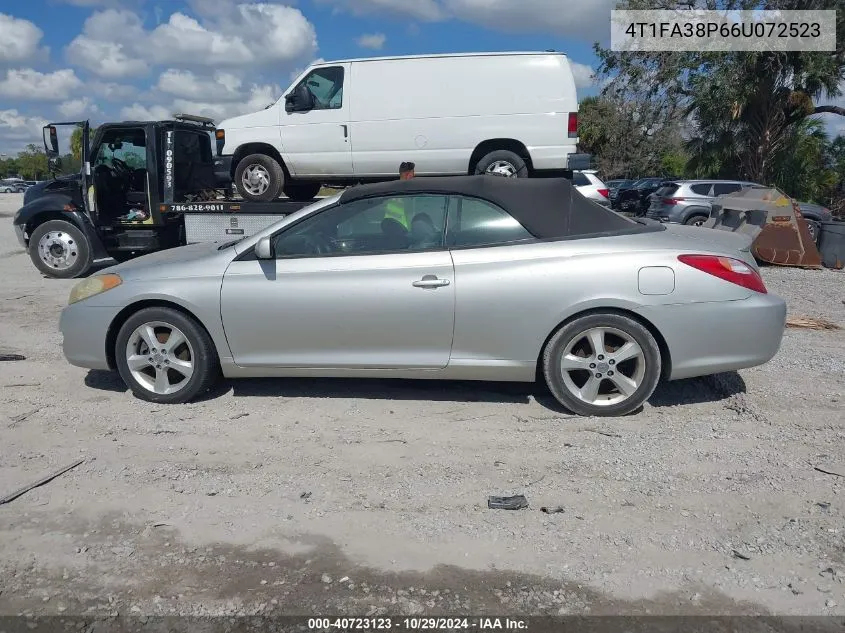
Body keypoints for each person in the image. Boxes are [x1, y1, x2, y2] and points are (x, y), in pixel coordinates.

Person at [383, 162, 416, 231]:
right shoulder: (408, 192)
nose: (414, 175)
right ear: (408, 175)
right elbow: (409, 214)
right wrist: (411, 232)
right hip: (402, 228)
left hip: (387, 226)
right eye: (413, 173)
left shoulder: (391, 189)